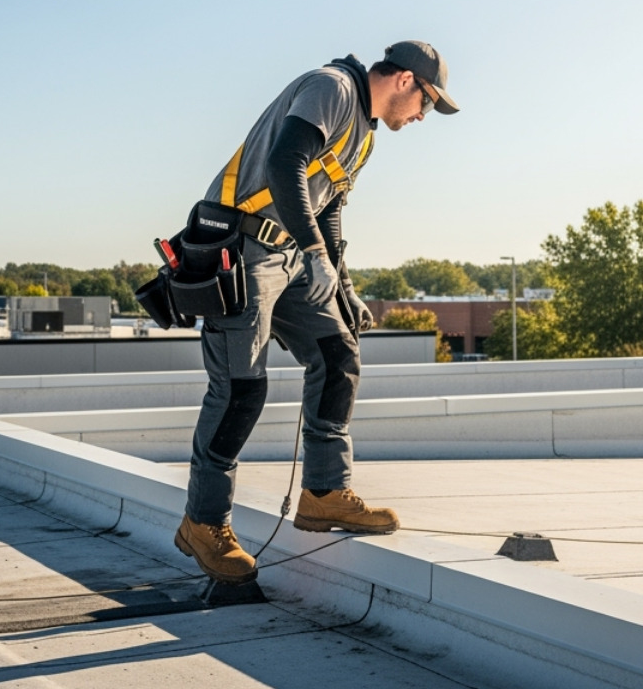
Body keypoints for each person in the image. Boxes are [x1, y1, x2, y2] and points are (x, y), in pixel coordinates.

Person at [173, 40, 459, 584]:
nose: (423, 115)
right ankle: (203, 522)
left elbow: (326, 205)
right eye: (426, 101)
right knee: (240, 389)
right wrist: (313, 254)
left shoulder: (365, 131)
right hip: (244, 249)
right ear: (404, 80)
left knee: (338, 351)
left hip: (291, 254)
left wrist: (341, 285)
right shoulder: (332, 88)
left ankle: (324, 493)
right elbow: (287, 164)